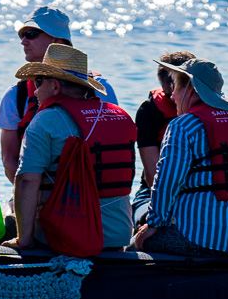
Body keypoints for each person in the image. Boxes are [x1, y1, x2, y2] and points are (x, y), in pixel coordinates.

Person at [128, 59, 228, 261]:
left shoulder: (183, 125)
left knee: (135, 246)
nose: (171, 95)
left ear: (190, 89)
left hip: (202, 241)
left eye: (176, 87)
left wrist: (153, 224)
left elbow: (167, 181)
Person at [11, 44, 137, 252]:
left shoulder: (45, 120)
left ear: (55, 87)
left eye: (38, 81)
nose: (34, 89)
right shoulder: (120, 115)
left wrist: (23, 241)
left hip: (62, 236)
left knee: (7, 223)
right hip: (117, 236)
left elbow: (27, 180)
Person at [0, 6, 119, 181]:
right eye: (21, 35)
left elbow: (112, 146)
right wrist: (34, 199)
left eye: (31, 34)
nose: (23, 41)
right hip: (35, 195)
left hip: (91, 191)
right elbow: (10, 160)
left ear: (57, 41)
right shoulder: (15, 95)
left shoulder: (100, 89)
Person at [135, 50, 193, 193]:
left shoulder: (208, 107)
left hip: (196, 188)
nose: (173, 98)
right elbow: (152, 174)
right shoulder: (149, 110)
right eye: (168, 94)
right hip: (155, 189)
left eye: (177, 90)